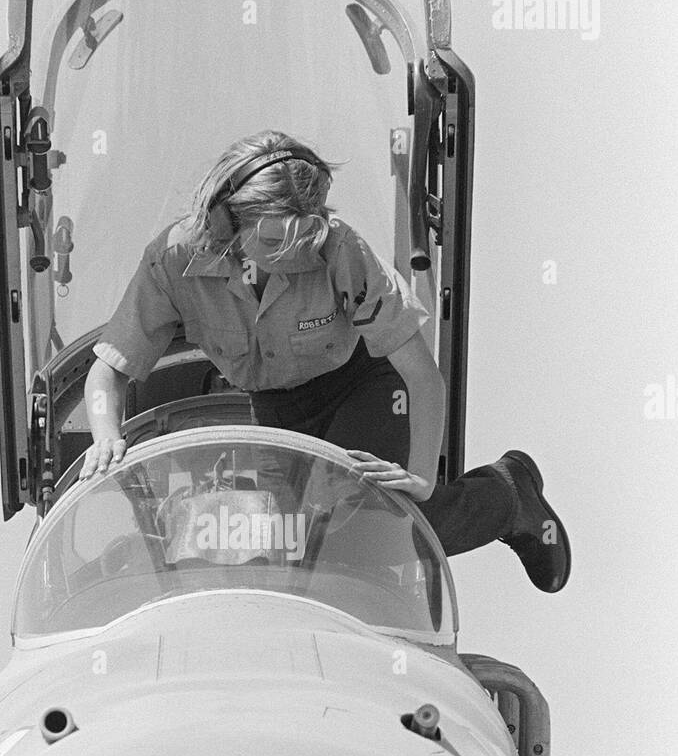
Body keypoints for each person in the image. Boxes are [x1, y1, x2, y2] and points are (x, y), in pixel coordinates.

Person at [79, 130, 570, 592]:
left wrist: (421, 481)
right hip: (274, 407)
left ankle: (508, 498)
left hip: (362, 388)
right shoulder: (172, 260)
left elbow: (422, 377)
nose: (290, 257)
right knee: (289, 553)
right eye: (272, 242)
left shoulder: (339, 249)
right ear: (228, 219)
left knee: (366, 541)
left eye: (301, 240)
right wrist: (106, 438)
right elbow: (110, 370)